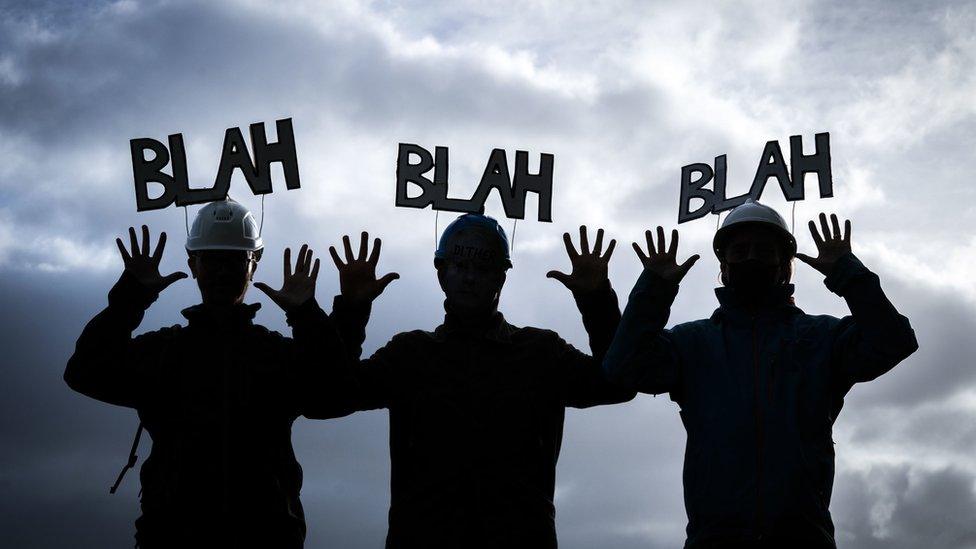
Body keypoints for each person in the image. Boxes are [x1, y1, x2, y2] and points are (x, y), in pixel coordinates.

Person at [603, 200, 918, 549]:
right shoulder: (690, 342)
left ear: (785, 265)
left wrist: (846, 272)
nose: (751, 258)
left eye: (764, 251)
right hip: (714, 539)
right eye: (739, 251)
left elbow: (894, 341)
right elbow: (622, 368)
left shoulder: (822, 338)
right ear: (723, 265)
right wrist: (654, 290)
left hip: (803, 537)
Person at [324, 214, 636, 548]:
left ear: (501, 278)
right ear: (442, 274)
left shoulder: (542, 353)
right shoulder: (409, 354)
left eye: (483, 268)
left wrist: (597, 300)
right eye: (459, 266)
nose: (470, 278)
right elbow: (333, 396)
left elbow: (617, 383)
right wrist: (352, 310)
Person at [64, 197, 345, 548]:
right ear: (193, 265)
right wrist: (128, 300)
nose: (223, 272)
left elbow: (334, 390)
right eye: (212, 260)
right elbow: (84, 371)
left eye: (234, 260)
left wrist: (307, 316)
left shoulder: (277, 356)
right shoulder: (163, 352)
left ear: (253, 264)